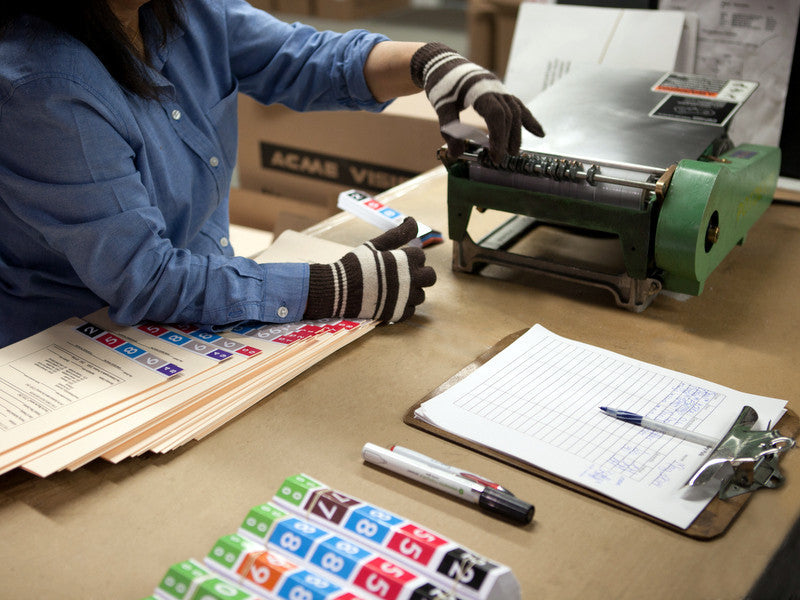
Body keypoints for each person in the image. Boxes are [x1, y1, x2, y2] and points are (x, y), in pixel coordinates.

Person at [0, 0, 543, 348]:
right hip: (73, 346)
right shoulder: (45, 86)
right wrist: (333, 286)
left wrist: (430, 63)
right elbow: (148, 278)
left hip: (195, 308)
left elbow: (301, 58)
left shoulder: (181, 11)